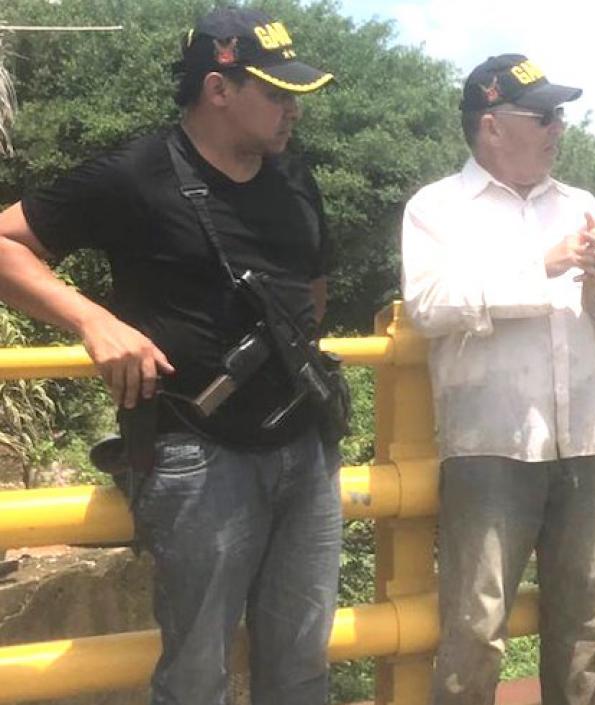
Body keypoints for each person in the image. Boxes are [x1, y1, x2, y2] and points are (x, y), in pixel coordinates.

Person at [0, 8, 341, 704]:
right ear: (219, 90)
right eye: (276, 94)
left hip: (304, 449)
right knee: (196, 674)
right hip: (196, 455)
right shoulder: (137, 172)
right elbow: (7, 243)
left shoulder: (292, 177)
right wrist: (94, 321)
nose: (291, 113)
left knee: (303, 665)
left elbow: (314, 289)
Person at [400, 54, 595, 705]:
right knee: (475, 628)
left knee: (589, 623)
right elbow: (428, 304)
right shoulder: (437, 207)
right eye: (544, 115)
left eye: (560, 114)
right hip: (491, 447)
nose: (558, 127)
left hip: (587, 444)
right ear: (491, 125)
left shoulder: (582, 204)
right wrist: (541, 266)